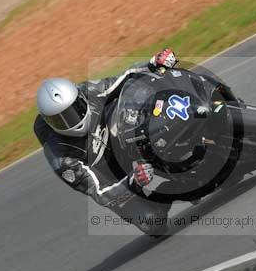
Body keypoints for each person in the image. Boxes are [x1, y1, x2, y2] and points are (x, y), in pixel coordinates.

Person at [33, 49, 179, 234]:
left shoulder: (89, 91)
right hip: (108, 176)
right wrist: (134, 181)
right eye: (59, 120)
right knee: (153, 223)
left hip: (118, 138)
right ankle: (169, 190)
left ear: (80, 97)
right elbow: (100, 193)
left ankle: (178, 141)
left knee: (137, 95)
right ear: (48, 122)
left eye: (73, 111)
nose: (70, 121)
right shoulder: (63, 160)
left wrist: (153, 62)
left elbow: (122, 79)